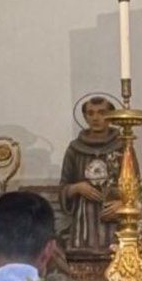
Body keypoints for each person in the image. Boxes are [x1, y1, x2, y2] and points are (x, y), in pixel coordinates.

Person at [59, 95, 122, 253]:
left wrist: (123, 205)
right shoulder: (75, 148)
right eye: (90, 113)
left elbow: (135, 186)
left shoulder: (123, 146)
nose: (96, 118)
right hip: (84, 223)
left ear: (110, 116)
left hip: (114, 222)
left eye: (101, 112)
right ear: (85, 117)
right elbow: (63, 187)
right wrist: (77, 188)